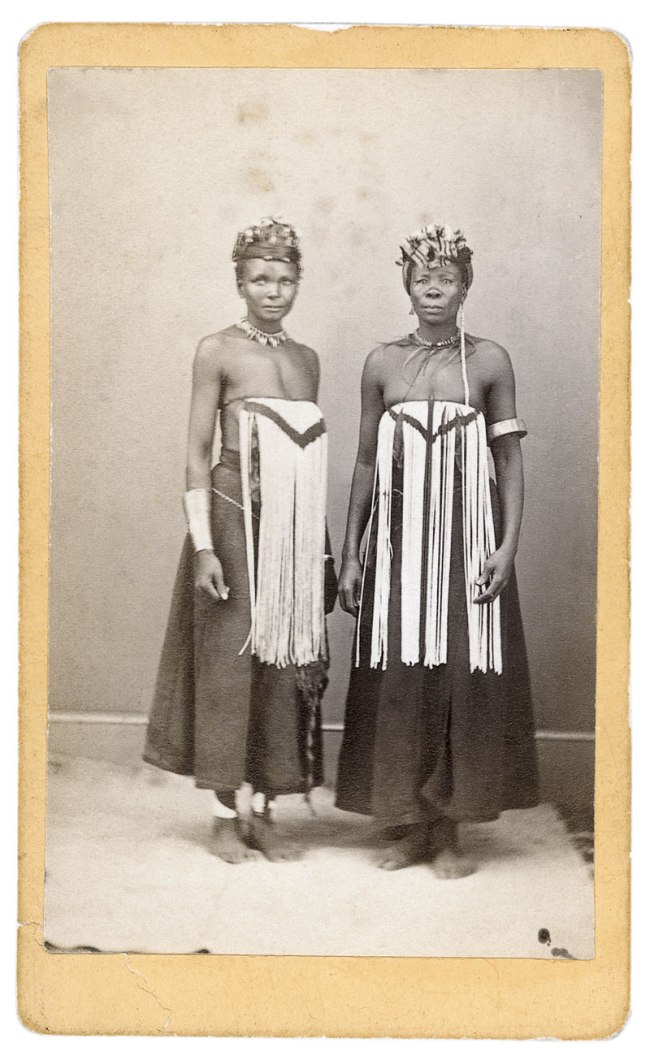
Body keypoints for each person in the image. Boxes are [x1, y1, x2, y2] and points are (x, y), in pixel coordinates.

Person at [336, 223, 539, 877]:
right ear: (407, 284)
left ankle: (449, 830)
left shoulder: (488, 361)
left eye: (446, 278)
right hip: (397, 546)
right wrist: (353, 551)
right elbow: (366, 462)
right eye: (423, 277)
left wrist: (507, 546)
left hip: (466, 540)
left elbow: (507, 460)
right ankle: (409, 824)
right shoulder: (381, 363)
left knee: (458, 676)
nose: (433, 288)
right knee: (400, 679)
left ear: (464, 286)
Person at [144, 217, 336, 863]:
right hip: (231, 520)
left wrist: (324, 549)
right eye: (260, 278)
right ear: (240, 281)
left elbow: (310, 461)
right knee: (230, 665)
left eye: (284, 279)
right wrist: (203, 545)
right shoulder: (217, 350)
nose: (273, 291)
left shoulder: (307, 359)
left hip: (295, 530)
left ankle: (270, 808)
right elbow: (197, 454)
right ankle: (227, 813)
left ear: (297, 282)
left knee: (284, 664)